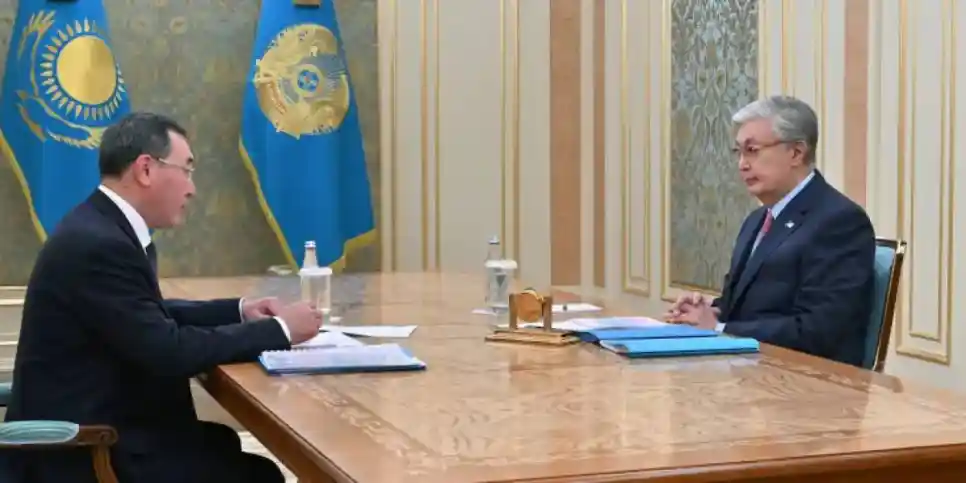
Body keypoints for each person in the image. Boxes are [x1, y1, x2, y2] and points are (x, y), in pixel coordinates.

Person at [2, 112, 323, 483]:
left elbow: (143, 315)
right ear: (145, 169)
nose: (192, 188)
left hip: (108, 424)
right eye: (186, 170)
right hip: (85, 452)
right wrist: (281, 330)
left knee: (225, 446)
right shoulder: (98, 244)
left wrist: (239, 311)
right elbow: (168, 351)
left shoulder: (99, 226)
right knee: (257, 475)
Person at [665, 95, 875, 367]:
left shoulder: (839, 221)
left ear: (796, 153)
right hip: (749, 371)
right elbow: (738, 306)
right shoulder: (756, 220)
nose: (742, 164)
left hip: (807, 381)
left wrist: (720, 329)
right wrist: (707, 312)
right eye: (738, 152)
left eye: (752, 150)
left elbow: (820, 329)